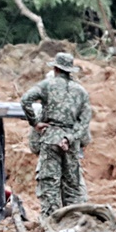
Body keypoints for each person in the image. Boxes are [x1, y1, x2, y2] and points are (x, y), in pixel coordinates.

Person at [21, 52, 92, 215]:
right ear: (70, 70)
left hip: (50, 137)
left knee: (49, 186)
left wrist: (35, 123)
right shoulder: (81, 92)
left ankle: (51, 225)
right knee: (73, 187)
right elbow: (85, 122)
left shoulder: (47, 85)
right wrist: (69, 138)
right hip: (71, 143)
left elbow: (25, 100)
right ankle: (74, 222)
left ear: (55, 68)